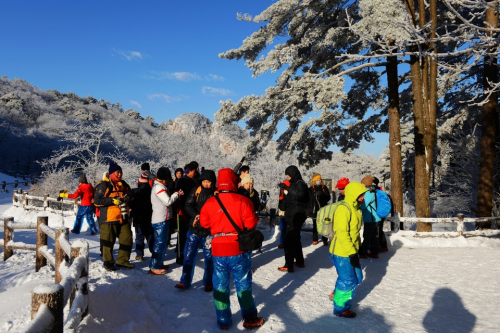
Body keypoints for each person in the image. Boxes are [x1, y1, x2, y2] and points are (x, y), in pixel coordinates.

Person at [200, 168, 265, 330]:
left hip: (218, 250)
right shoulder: (242, 200)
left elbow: (204, 224)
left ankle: (223, 320)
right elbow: (251, 223)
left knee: (220, 285)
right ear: (233, 182)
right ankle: (250, 318)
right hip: (238, 248)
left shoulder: (210, 202)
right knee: (243, 283)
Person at [329, 181, 366, 318]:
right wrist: (352, 253)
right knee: (348, 280)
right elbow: (343, 234)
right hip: (341, 252)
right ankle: (340, 308)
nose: (363, 197)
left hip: (351, 250)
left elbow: (354, 232)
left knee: (357, 278)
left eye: (363, 194)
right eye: (361, 195)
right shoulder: (344, 209)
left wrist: (358, 247)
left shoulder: (356, 208)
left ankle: (337, 293)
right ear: (353, 194)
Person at [175, 170, 216, 291]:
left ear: (213, 182)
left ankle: (208, 282)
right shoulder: (197, 190)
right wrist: (196, 215)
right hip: (194, 228)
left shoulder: (216, 193)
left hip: (209, 231)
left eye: (208, 182)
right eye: (204, 181)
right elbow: (188, 205)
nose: (206, 184)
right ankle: (185, 281)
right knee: (188, 256)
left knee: (209, 258)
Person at [94, 161, 134, 271]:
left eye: (121, 172)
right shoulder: (104, 185)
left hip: (123, 217)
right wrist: (112, 200)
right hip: (108, 218)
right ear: (112, 173)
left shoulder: (123, 184)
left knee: (127, 239)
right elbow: (96, 201)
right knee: (108, 242)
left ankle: (123, 261)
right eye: (117, 172)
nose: (120, 174)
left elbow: (131, 194)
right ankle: (108, 263)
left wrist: (128, 197)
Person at [149, 167, 183, 275]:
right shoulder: (159, 188)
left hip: (163, 218)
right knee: (159, 244)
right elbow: (168, 201)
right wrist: (177, 194)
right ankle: (154, 266)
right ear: (164, 178)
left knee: (162, 243)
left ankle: (159, 263)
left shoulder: (161, 186)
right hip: (160, 219)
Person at [279, 165, 309, 272]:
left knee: (289, 240)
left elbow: (300, 195)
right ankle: (300, 261)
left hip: (297, 215)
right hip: (292, 214)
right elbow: (288, 199)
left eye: (288, 175)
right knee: (295, 239)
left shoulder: (300, 184)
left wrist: (288, 188)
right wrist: (283, 191)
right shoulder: (293, 184)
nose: (287, 177)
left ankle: (289, 264)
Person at [175, 161, 199, 265]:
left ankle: (186, 253)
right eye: (194, 170)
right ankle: (180, 255)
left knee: (188, 233)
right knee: (183, 233)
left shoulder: (194, 179)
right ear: (189, 171)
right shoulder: (183, 181)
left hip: (191, 210)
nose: (196, 172)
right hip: (183, 211)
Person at [129, 168, 154, 262]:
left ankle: (139, 254)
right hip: (149, 217)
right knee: (150, 235)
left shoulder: (136, 192)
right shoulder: (151, 191)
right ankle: (154, 252)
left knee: (139, 236)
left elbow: (131, 204)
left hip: (138, 217)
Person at [359, 175, 381, 259]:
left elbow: (363, 206)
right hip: (376, 218)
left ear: (366, 184)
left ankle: (363, 252)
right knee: (375, 236)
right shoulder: (374, 191)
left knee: (367, 236)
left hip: (370, 218)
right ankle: (374, 252)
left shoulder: (368, 193)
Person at [306, 173, 332, 246]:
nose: (319, 180)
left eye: (319, 179)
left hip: (323, 208)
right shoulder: (311, 189)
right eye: (317, 179)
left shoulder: (324, 187)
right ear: (314, 180)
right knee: (315, 224)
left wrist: (322, 197)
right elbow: (309, 199)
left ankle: (325, 239)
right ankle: (315, 238)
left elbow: (328, 197)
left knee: (324, 224)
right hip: (314, 209)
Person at [373, 177, 389, 252]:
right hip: (382, 213)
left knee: (377, 229)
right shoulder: (381, 191)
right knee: (379, 228)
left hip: (377, 213)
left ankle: (380, 245)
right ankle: (383, 244)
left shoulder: (374, 192)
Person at [277, 179, 290, 249]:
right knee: (283, 228)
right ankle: (282, 242)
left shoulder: (290, 194)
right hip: (282, 212)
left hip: (287, 212)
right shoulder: (282, 192)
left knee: (286, 228)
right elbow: (281, 203)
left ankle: (285, 242)